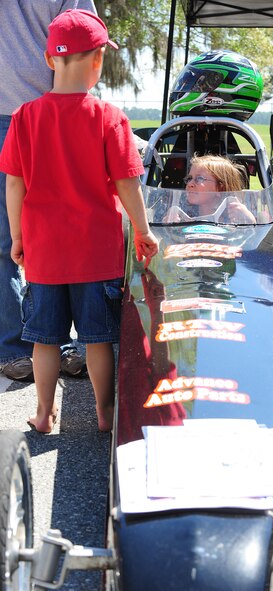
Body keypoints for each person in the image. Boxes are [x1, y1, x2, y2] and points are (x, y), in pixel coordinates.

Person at [0, 9, 159, 432]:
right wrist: (142, 231)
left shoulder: (24, 118)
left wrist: (18, 238)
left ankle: (43, 412)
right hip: (96, 253)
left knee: (44, 340)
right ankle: (105, 413)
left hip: (45, 252)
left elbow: (14, 187)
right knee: (96, 341)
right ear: (98, 61)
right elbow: (127, 184)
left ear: (50, 61)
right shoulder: (110, 117)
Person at [0, 0, 97, 382]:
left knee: (68, 232)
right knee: (6, 241)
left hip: (55, 111)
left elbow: (84, 37)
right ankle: (13, 347)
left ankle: (72, 343)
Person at [166, 154, 256, 223]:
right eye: (189, 178)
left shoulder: (233, 218)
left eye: (199, 179)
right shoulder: (181, 216)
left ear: (220, 189)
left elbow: (251, 241)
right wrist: (167, 224)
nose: (190, 184)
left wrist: (249, 221)